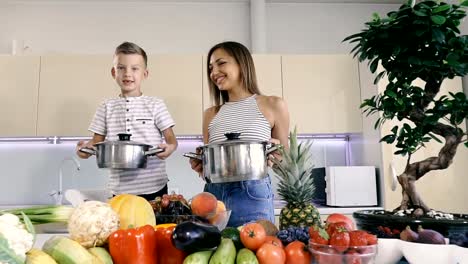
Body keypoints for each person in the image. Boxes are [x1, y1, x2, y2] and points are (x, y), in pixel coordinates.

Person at [189, 41, 290, 227]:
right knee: (213, 253)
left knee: (257, 252)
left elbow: (287, 165)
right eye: (211, 68)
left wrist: (277, 155)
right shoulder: (210, 114)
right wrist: (201, 166)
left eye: (221, 63)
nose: (214, 73)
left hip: (253, 193)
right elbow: (209, 170)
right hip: (214, 195)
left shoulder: (273, 104)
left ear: (241, 63)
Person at [76, 41, 178, 201]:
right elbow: (95, 144)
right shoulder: (106, 106)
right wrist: (84, 151)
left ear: (145, 74)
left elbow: (172, 140)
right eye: (121, 68)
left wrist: (170, 148)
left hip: (154, 187)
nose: (127, 74)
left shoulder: (156, 104)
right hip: (119, 190)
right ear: (113, 72)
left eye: (135, 68)